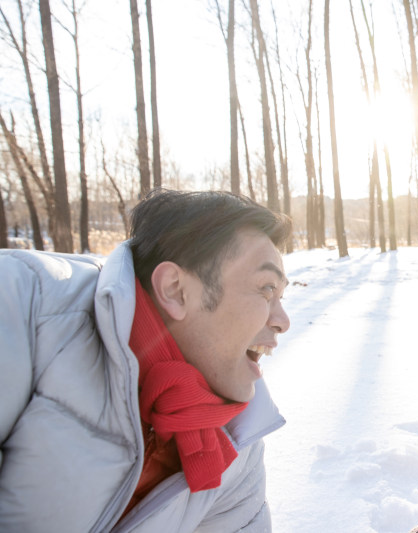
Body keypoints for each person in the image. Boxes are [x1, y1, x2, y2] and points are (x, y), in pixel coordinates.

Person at [0, 189, 292, 532]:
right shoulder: (24, 308)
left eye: (282, 296)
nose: (283, 320)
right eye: (266, 289)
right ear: (174, 290)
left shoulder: (238, 444)